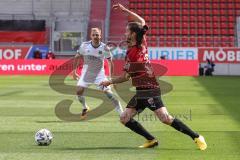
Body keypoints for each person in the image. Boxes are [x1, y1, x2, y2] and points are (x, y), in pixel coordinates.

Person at [100, 3, 207, 150]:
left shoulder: (135, 51)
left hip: (150, 89)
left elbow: (126, 76)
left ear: (132, 34)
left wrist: (109, 81)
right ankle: (151, 140)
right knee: (124, 118)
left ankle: (196, 136)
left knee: (166, 119)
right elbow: (142, 21)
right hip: (140, 92)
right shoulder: (139, 43)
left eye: (126, 31)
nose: (124, 33)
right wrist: (125, 11)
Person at [73, 27, 123, 119]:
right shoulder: (84, 45)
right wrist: (74, 72)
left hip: (99, 75)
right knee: (79, 91)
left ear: (100, 36)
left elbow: (110, 62)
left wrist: (111, 79)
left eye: (97, 35)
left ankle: (121, 112)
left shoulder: (104, 48)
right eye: (93, 35)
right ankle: (85, 107)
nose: (95, 36)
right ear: (90, 36)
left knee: (109, 94)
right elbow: (77, 57)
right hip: (86, 74)